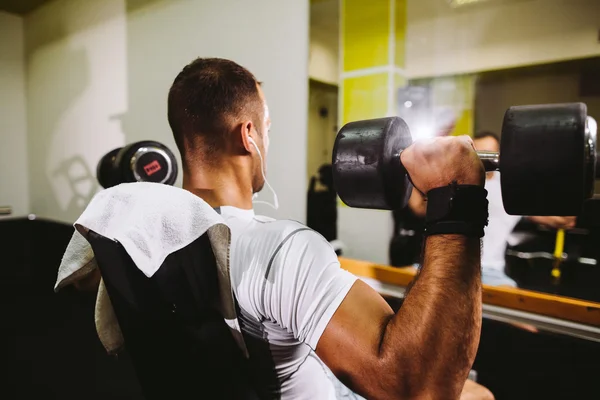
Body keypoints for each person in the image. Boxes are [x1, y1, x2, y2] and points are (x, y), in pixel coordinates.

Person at [167, 57, 493, 399]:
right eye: (267, 127)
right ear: (249, 135)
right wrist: (455, 199)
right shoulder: (279, 249)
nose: (267, 139)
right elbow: (421, 388)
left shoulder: (156, 238)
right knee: (478, 395)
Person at [471, 131, 576, 286]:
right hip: (454, 269)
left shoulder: (511, 188)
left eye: (489, 154)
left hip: (491, 271)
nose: (484, 161)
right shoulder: (459, 184)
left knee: (515, 298)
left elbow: (564, 220)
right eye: (478, 154)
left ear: (500, 156)